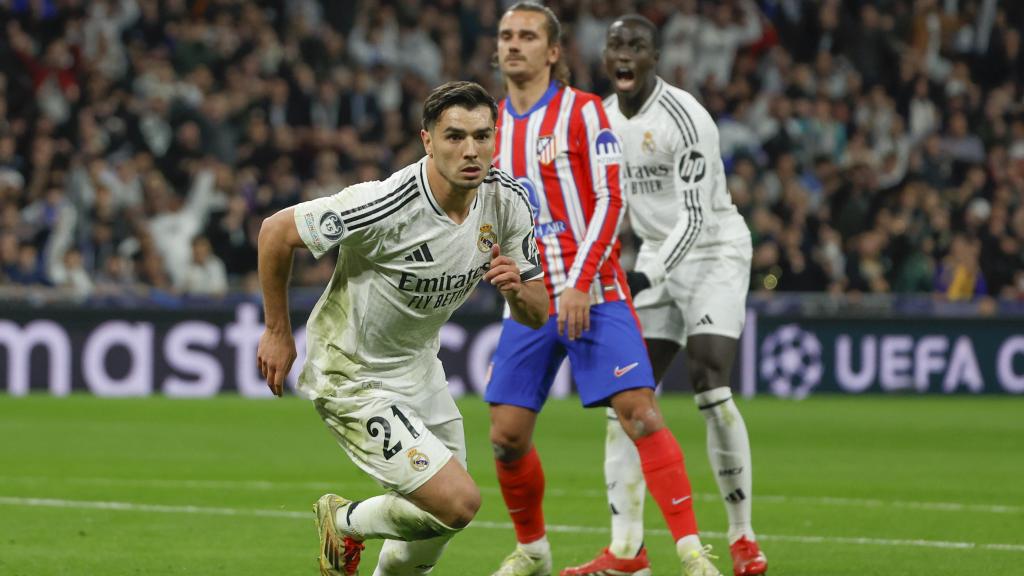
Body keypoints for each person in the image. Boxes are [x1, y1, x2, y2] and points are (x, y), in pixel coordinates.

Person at [256, 80, 549, 576]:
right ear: (427, 140)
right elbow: (275, 232)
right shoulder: (386, 204)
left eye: (482, 136)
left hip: (418, 368)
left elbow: (538, 312)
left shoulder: (508, 202)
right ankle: (344, 521)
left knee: (441, 522)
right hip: (351, 372)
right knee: (458, 502)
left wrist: (518, 291)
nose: (471, 150)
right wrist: (277, 331)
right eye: (455, 136)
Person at [484, 4, 721, 576]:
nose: (514, 45)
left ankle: (692, 554)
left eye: (528, 36)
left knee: (639, 413)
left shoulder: (584, 113)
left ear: (553, 50)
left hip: (597, 292)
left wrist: (582, 282)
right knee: (506, 437)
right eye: (506, 36)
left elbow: (612, 200)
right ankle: (533, 551)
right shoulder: (489, 126)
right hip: (531, 300)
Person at [561, 16, 766, 576]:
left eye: (637, 46)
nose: (625, 55)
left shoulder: (686, 115)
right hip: (652, 259)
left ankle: (744, 539)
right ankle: (626, 550)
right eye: (617, 45)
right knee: (626, 396)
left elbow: (696, 215)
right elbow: (605, 202)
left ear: (655, 57)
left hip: (714, 252)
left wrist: (646, 277)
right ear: (605, 55)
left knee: (708, 379)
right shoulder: (600, 118)